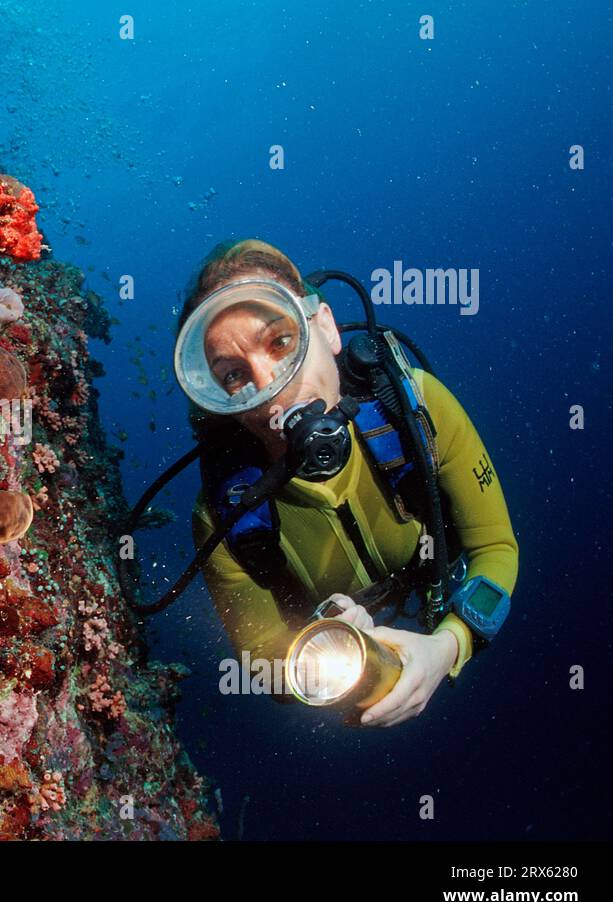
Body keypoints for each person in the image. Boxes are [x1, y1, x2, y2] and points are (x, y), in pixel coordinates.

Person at [177, 239, 518, 726]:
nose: (272, 384)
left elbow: (496, 546)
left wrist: (449, 645)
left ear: (328, 329)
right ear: (220, 400)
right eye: (233, 375)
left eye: (281, 342)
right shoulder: (225, 515)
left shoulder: (420, 412)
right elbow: (259, 657)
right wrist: (326, 643)